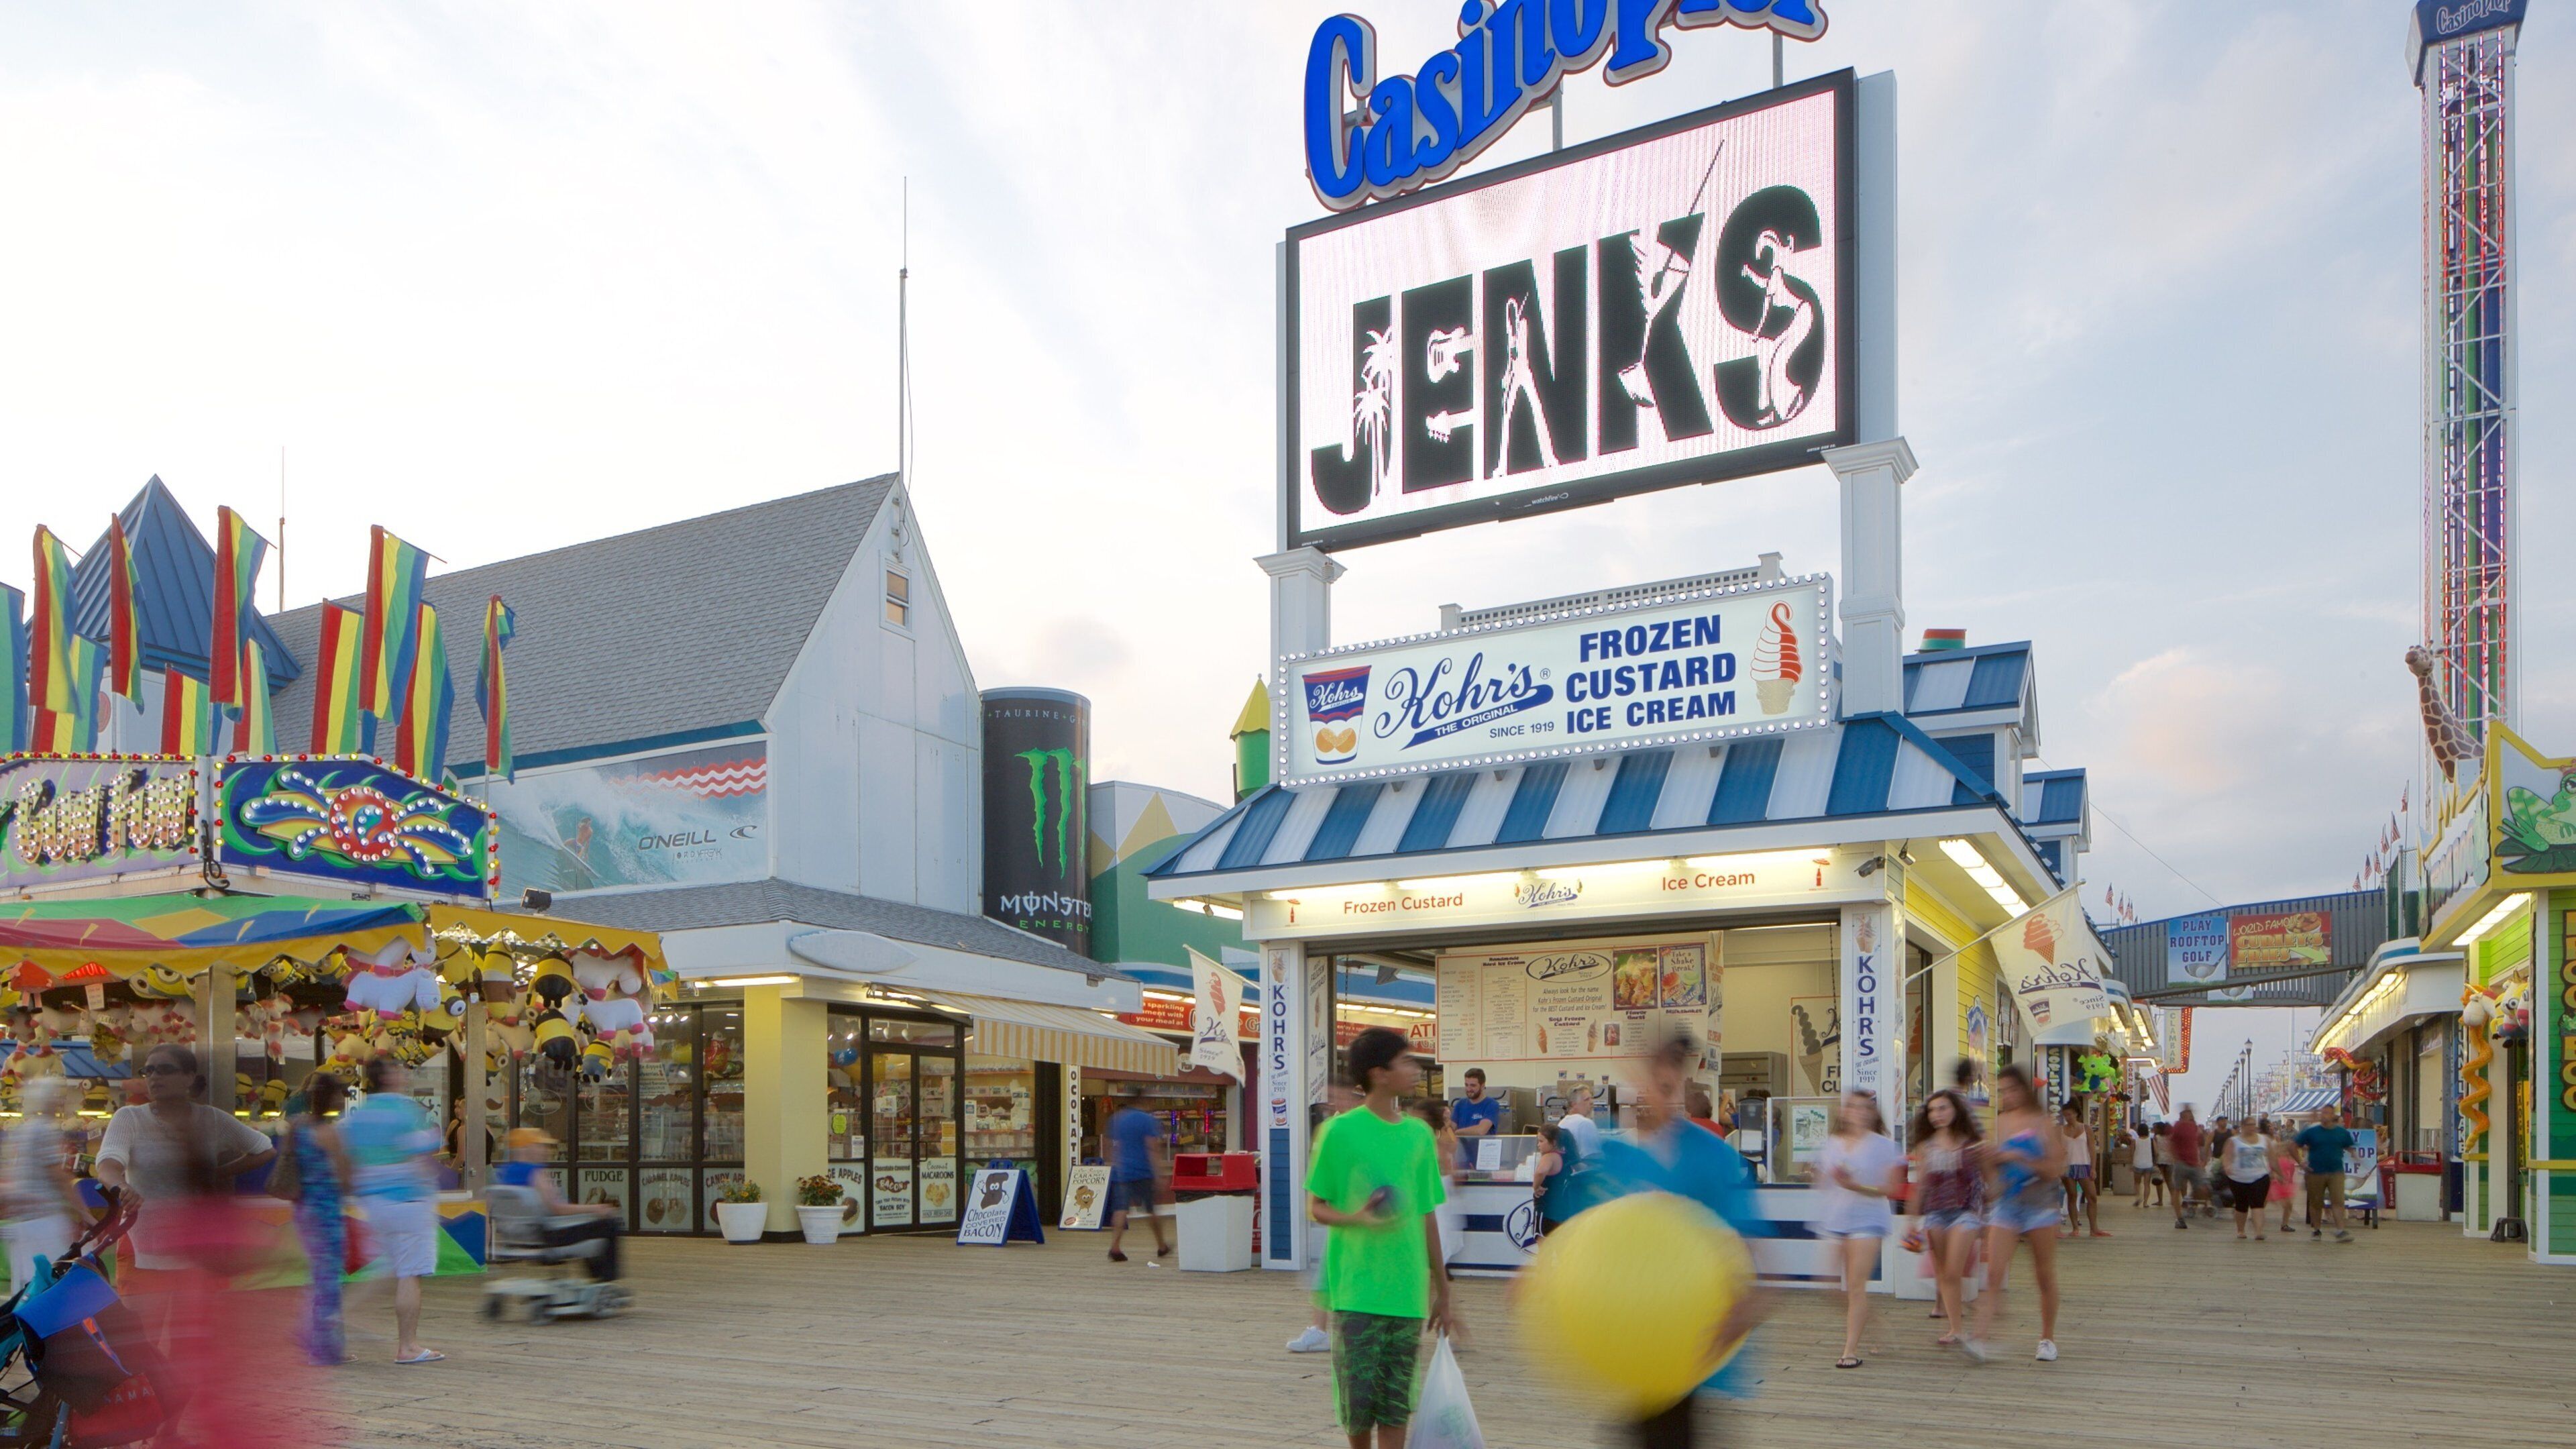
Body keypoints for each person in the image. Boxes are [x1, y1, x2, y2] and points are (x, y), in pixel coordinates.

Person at [1571, 1033, 1768, 1448]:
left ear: (1679, 1087)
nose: (1651, 1097)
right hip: (1635, 1326)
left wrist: (1746, 1301)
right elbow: (1590, 1230)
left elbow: (1744, 1236)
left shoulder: (1707, 1155)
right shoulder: (1619, 1153)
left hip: (1691, 1327)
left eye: (1664, 1088)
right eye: (1647, 1085)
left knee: (1668, 1428)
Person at [1307, 1027, 1451, 1449]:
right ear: (1379, 1073)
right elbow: (1316, 1206)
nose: (1414, 1068)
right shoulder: (1338, 1133)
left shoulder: (1419, 1135)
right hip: (1356, 1293)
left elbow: (1428, 1217)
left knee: (1395, 1407)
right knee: (1358, 1410)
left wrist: (1444, 1292)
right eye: (1405, 1061)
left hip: (1406, 1295)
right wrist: (1356, 1218)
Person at [340, 1056, 445, 1364]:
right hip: (409, 1199)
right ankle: (408, 1347)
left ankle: (333, 1318)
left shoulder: (360, 1115)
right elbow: (420, 1146)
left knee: (385, 1268)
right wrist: (434, 1136)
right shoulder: (404, 1110)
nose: (404, 1074)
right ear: (388, 1076)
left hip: (374, 1201)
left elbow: (348, 1155)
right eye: (399, 1070)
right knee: (409, 1273)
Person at [1966, 1065, 2064, 1363]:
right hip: (2008, 1204)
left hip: (2041, 1204)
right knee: (1994, 1272)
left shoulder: (2043, 1123)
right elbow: (1995, 1179)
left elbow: (2055, 1169)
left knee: (2043, 1274)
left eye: (2011, 1089)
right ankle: (1979, 1338)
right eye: (2002, 1091)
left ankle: (2047, 1338)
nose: (2007, 1096)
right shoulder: (2001, 1122)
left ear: (2024, 1089)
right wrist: (1988, 1160)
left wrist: (2019, 1155)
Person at [1815, 1089, 1902, 1370]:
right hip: (1836, 1218)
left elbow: (1891, 1189)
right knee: (1828, 1286)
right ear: (1844, 1111)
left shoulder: (1884, 1146)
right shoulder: (1833, 1143)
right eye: (1853, 1107)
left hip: (1868, 1219)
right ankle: (1874, 1323)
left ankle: (1849, 1350)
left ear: (1873, 1113)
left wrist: (1856, 1186)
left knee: (1855, 1286)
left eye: (1865, 1108)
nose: (1858, 1113)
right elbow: (1822, 1181)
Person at [278, 1071, 356, 1364]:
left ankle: (312, 1334)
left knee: (319, 1273)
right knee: (329, 1279)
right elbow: (347, 1178)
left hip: (303, 1207)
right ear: (331, 1097)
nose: (343, 1099)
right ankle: (322, 1347)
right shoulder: (332, 1133)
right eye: (341, 1094)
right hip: (326, 1209)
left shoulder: (297, 1127)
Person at [1909, 1086, 1986, 1349]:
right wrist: (1911, 1222)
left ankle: (1959, 1327)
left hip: (1965, 1211)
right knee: (1945, 1273)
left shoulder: (1972, 1143)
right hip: (1935, 1213)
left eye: (1943, 1108)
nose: (1937, 1115)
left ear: (1956, 1110)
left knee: (1952, 1270)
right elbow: (1921, 1186)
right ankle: (1956, 1328)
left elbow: (1988, 1179)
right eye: (1932, 1110)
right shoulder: (1925, 1147)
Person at [1288, 1082, 1360, 1355]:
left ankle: (1324, 1331)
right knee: (1324, 1277)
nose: (1332, 1101)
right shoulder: (1332, 1127)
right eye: (1329, 1096)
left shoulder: (1347, 1128)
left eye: (1336, 1094)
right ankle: (1319, 1330)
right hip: (1335, 1214)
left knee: (1331, 1276)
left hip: (1347, 1215)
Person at [493, 1127, 621, 1279]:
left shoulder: (505, 1174)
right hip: (549, 1236)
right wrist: (595, 1208)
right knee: (608, 1224)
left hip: (519, 1236)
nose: (546, 1150)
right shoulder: (536, 1172)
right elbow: (557, 1209)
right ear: (525, 1148)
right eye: (540, 1146)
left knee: (593, 1227)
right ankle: (604, 1281)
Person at [1, 1077, 87, 1293]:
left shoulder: (25, 1130)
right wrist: (86, 1215)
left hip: (25, 1220)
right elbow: (59, 1178)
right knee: (52, 1286)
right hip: (46, 1221)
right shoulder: (46, 1131)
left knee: (26, 1290)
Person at [1104, 1097, 1170, 1263]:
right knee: (1150, 1210)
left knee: (1121, 1209)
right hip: (1143, 1171)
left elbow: (1110, 1144)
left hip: (1123, 1171)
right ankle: (1161, 1246)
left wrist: (1113, 1162)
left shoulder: (1117, 1119)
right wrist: (1159, 1174)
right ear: (1145, 1102)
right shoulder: (1147, 1120)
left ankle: (1115, 1246)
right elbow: (1152, 1148)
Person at [2295, 1108, 2357, 1243]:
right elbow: (2293, 1145)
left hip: (2336, 1171)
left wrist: (2355, 1154)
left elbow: (2349, 1146)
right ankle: (2316, 1230)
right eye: (2323, 1113)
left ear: (2333, 1115)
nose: (2324, 1115)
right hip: (2315, 1172)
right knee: (2316, 1203)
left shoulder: (2341, 1132)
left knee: (2338, 1201)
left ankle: (2341, 1230)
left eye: (2328, 1113)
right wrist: (2301, 1163)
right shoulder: (2312, 1131)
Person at [2218, 1116, 2271, 1240]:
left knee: (2258, 1204)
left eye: (2254, 1124)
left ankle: (2259, 1232)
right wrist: (2227, 1167)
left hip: (2260, 1175)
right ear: (2243, 1127)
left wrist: (2278, 1173)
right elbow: (2227, 1156)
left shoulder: (2264, 1140)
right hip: (2238, 1177)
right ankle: (2241, 1230)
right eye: (2249, 1125)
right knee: (2241, 1205)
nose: (2252, 1127)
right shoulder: (2234, 1141)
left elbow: (2272, 1156)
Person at [2057, 1102, 2103, 1238]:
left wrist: (2093, 1168)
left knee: (2092, 1197)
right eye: (2065, 1115)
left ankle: (2094, 1228)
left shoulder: (2086, 1129)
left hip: (2084, 1164)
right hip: (2068, 1166)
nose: (2068, 1117)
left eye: (2070, 1114)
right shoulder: (2060, 1130)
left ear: (2076, 1114)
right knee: (2072, 1196)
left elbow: (2092, 1150)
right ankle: (2075, 1228)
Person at [2167, 1107, 2208, 1230]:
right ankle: (2179, 1218)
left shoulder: (2194, 1127)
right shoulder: (2178, 1126)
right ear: (2183, 1116)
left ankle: (2190, 1204)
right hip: (2181, 1163)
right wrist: (2176, 1158)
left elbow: (2200, 1143)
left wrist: (2202, 1159)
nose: (2191, 1117)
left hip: (2194, 1163)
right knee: (2177, 1189)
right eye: (2188, 1115)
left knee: (2202, 1189)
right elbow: (2172, 1142)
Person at [1528, 1122, 1566, 1236]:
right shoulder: (1563, 1155)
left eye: (1541, 1141)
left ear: (1553, 1142)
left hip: (1546, 1208)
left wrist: (1536, 1187)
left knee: (1543, 1243)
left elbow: (1541, 1171)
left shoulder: (1549, 1157)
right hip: (1560, 1207)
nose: (1538, 1145)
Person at [1450, 1067, 1502, 1139]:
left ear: (1482, 1086)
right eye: (1466, 1085)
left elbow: (1481, 1131)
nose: (1469, 1089)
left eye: (1473, 1085)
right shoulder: (1460, 1104)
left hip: (1484, 1149)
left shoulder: (1491, 1105)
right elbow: (1451, 1129)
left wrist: (1457, 1132)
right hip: (1463, 1150)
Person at [2269, 1120, 2301, 1236]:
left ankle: (2285, 1224)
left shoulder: (2288, 1158)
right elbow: (2272, 1169)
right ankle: (2256, 1217)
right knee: (2281, 1204)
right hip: (2276, 1183)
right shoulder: (2275, 1158)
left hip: (2285, 1184)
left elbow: (2291, 1170)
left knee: (2288, 1205)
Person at [2124, 1120, 2155, 1211]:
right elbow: (2156, 1152)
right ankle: (2145, 1203)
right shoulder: (2151, 1140)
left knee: (2137, 1183)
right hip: (2148, 1164)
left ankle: (2138, 1197)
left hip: (2137, 1164)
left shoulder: (2135, 1141)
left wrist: (2131, 1164)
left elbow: (2131, 1153)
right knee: (2147, 1184)